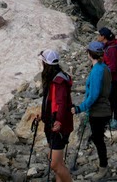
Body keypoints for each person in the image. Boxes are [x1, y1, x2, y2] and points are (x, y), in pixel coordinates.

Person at [31, 49, 74, 182]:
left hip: (58, 126)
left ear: (45, 63)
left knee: (55, 164)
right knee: (58, 162)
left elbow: (61, 103)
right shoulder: (55, 78)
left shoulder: (57, 81)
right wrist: (43, 114)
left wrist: (59, 121)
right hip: (54, 123)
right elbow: (50, 101)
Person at [75, 40, 116, 178]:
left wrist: (79, 108)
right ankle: (103, 165)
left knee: (98, 140)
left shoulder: (96, 71)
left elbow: (93, 95)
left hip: (98, 111)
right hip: (105, 109)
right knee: (98, 139)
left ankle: (103, 168)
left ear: (89, 54)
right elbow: (108, 90)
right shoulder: (105, 68)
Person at [96, 26, 117, 123]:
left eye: (99, 35)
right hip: (109, 78)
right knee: (109, 99)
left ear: (103, 37)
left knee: (113, 99)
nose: (98, 37)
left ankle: (115, 119)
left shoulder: (111, 49)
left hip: (111, 79)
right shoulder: (108, 46)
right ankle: (110, 118)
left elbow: (112, 67)